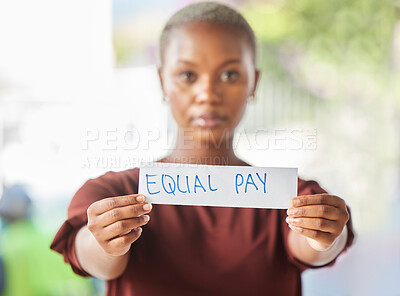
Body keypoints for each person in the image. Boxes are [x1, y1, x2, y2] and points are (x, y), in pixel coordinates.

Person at [51, 2, 354, 296]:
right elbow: (94, 257)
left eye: (229, 75)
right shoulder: (111, 195)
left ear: (254, 83)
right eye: (187, 75)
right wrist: (104, 241)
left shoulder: (292, 196)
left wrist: (324, 234)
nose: (208, 94)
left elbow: (314, 248)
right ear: (162, 81)